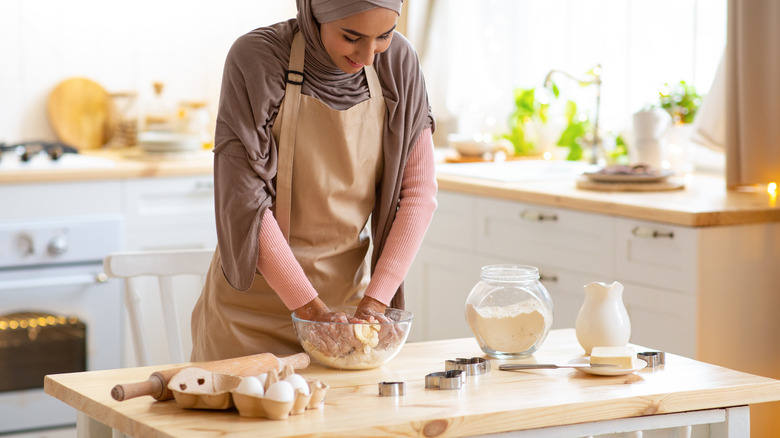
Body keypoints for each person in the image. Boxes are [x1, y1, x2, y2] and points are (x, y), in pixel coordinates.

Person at [190, 0, 437, 361]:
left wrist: (375, 302)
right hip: (249, 318)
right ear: (315, 12)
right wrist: (311, 312)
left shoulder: (398, 63)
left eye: (384, 35)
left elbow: (418, 193)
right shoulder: (258, 57)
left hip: (347, 314)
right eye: (352, 37)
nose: (368, 56)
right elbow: (245, 204)